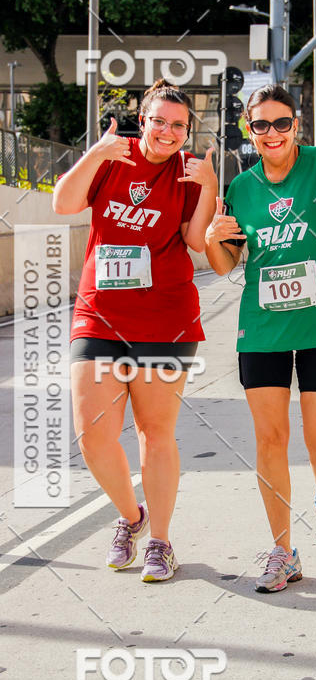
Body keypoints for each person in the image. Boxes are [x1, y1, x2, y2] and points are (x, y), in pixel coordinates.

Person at [53, 79, 217, 582]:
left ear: (187, 131)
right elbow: (63, 203)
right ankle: (131, 516)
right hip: (99, 313)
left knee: (155, 432)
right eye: (159, 121)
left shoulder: (190, 172)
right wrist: (95, 152)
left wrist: (210, 185)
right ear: (141, 120)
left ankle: (161, 542)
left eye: (178, 125)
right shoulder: (110, 158)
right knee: (92, 434)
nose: (167, 132)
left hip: (165, 319)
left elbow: (195, 241)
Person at [203, 84, 316, 593]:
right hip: (264, 329)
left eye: (281, 123)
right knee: (270, 440)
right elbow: (228, 264)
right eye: (260, 125)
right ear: (248, 131)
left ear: (297, 125)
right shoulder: (243, 188)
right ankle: (281, 550)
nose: (271, 133)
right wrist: (212, 240)